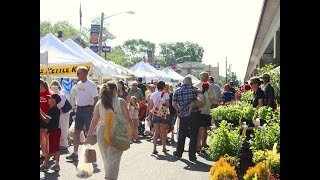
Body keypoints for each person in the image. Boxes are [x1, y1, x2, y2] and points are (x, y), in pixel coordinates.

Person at [84, 82, 135, 180]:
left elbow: (94, 120)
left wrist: (89, 135)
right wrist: (133, 131)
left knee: (106, 158)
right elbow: (128, 118)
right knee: (114, 159)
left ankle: (108, 177)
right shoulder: (121, 101)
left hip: (102, 131)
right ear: (115, 90)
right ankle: (110, 178)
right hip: (117, 131)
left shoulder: (100, 102)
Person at [66, 66, 99, 161]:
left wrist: (94, 112)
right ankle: (75, 153)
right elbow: (74, 95)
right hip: (79, 110)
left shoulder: (91, 84)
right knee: (76, 131)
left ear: (84, 74)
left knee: (89, 133)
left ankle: (89, 154)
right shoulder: (78, 84)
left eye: (78, 73)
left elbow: (95, 98)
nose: (77, 75)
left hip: (88, 110)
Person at [172, 77, 205, 161]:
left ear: (183, 82)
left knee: (182, 134)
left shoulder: (177, 90)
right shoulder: (194, 89)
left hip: (183, 115)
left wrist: (178, 110)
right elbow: (201, 99)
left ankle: (179, 153)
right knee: (194, 134)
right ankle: (192, 155)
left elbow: (173, 104)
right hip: (194, 114)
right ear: (190, 82)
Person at [40, 94, 61, 172]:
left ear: (54, 100)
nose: (48, 100)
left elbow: (47, 121)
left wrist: (40, 114)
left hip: (52, 132)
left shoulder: (51, 109)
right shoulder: (57, 109)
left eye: (50, 98)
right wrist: (41, 111)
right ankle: (56, 164)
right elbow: (48, 117)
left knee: (48, 150)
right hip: (58, 131)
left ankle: (45, 165)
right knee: (57, 148)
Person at [148, 80, 170, 154]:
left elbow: (151, 106)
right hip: (163, 114)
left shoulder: (153, 94)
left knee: (156, 132)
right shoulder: (166, 94)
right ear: (164, 87)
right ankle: (164, 147)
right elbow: (167, 105)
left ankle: (154, 148)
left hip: (155, 114)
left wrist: (150, 115)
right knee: (163, 132)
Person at [50, 80, 70, 150]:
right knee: (61, 128)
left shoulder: (61, 93)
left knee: (63, 128)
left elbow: (60, 104)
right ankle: (62, 143)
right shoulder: (62, 93)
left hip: (63, 113)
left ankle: (64, 144)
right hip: (61, 114)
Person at [40, 78, 52, 159]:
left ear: (42, 85)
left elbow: (52, 106)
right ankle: (44, 152)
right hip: (40, 117)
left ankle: (49, 152)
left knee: (47, 135)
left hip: (47, 117)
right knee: (41, 136)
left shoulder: (49, 94)